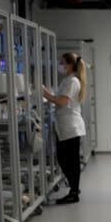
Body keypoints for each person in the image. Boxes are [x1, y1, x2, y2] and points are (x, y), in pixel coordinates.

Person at [43, 53, 87, 204]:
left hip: (70, 126)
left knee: (68, 160)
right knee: (66, 159)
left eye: (62, 63)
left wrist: (46, 94)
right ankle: (74, 188)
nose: (60, 65)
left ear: (70, 64)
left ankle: (74, 192)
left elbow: (62, 102)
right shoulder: (68, 80)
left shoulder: (73, 81)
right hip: (65, 125)